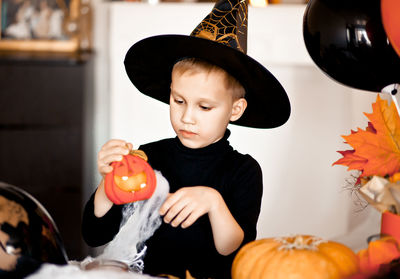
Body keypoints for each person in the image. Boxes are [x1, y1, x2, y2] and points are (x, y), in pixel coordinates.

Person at [82, 0, 291, 278]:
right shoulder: (150, 157)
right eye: (179, 100)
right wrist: (108, 184)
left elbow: (236, 250)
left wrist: (214, 202)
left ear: (235, 110)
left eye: (204, 107)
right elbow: (94, 235)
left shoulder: (243, 171)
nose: (187, 117)